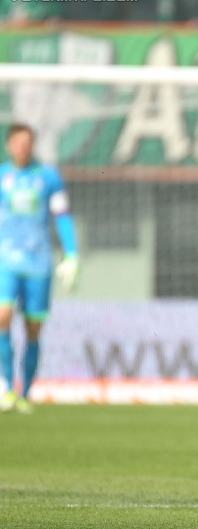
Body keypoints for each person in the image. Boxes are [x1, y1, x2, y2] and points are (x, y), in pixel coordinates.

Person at [0, 124, 79, 413]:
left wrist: (72, 254)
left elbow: (62, 216)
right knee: (2, 316)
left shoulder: (48, 177)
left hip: (39, 263)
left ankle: (26, 392)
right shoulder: (1, 176)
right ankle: (8, 387)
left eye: (27, 143)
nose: (23, 147)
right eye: (18, 143)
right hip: (6, 260)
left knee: (33, 330)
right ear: (9, 145)